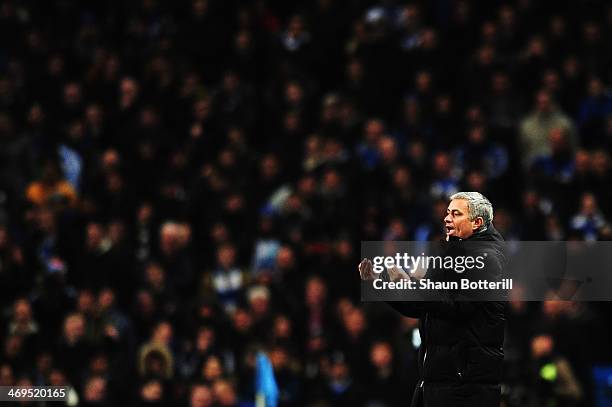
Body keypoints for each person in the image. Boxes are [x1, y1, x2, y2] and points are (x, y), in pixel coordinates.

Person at [359, 192, 506, 406]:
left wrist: (412, 284)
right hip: (435, 382)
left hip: (464, 387)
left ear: (477, 223)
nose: (447, 218)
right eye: (448, 213)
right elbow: (421, 306)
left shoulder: (486, 259)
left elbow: (456, 306)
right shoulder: (446, 255)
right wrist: (381, 283)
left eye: (456, 214)